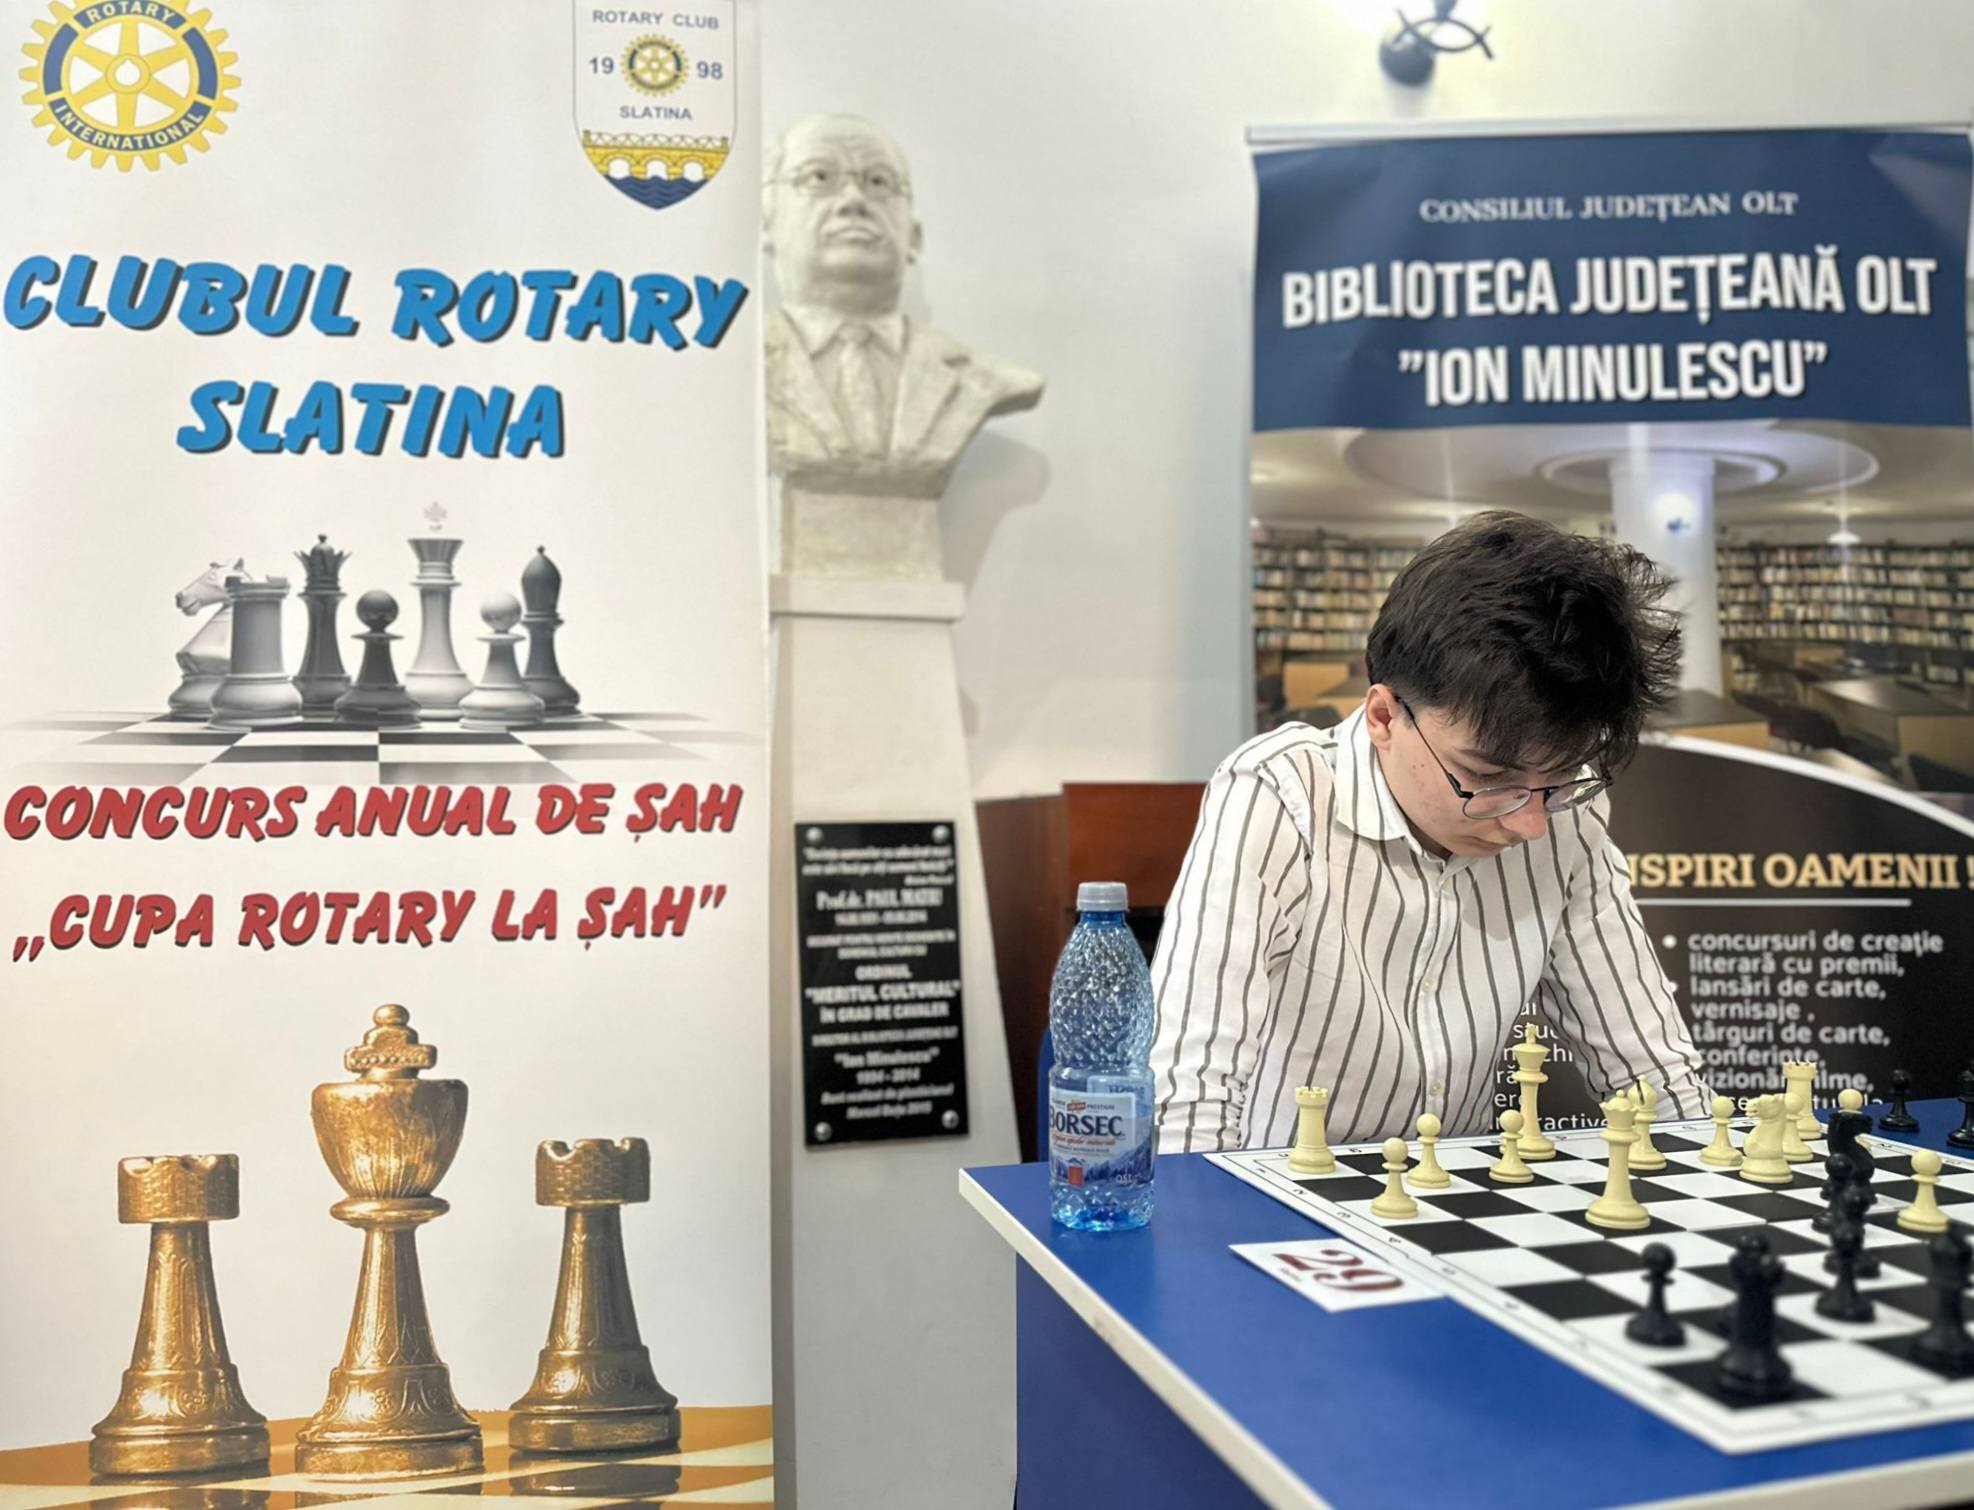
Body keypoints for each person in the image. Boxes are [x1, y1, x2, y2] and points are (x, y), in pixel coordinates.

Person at [1148, 511, 1710, 1152]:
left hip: (1461, 1196)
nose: (1529, 823)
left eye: (1560, 777)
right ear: (1384, 716)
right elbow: (1187, 1095)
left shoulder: (1566, 818)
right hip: (1276, 1191)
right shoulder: (1282, 795)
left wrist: (1707, 1171)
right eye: (1487, 777)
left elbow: (1650, 1071)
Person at [761, 113, 1042, 508]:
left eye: (878, 182)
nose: (853, 201)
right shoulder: (737, 367)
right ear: (766, 223)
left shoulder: (984, 379)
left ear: (914, 236)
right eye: (819, 178)